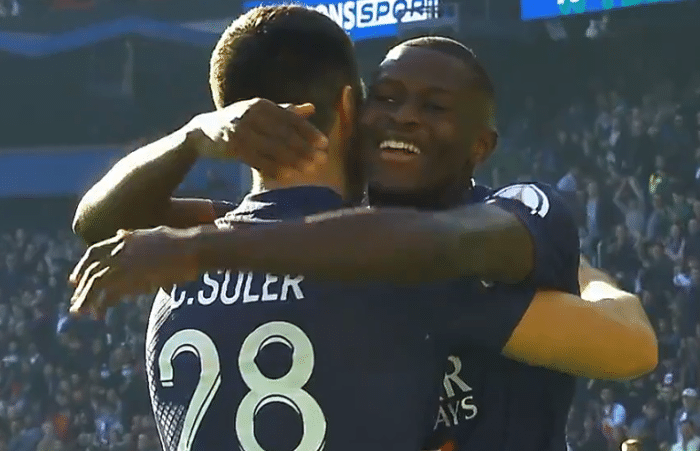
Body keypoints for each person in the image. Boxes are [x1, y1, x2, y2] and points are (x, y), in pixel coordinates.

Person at [69, 34, 658, 451]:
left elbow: (631, 346)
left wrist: (585, 276)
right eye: (388, 97)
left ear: (481, 146)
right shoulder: (320, 242)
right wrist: (193, 136)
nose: (403, 117)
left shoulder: (515, 211)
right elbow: (101, 226)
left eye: (434, 106)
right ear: (355, 110)